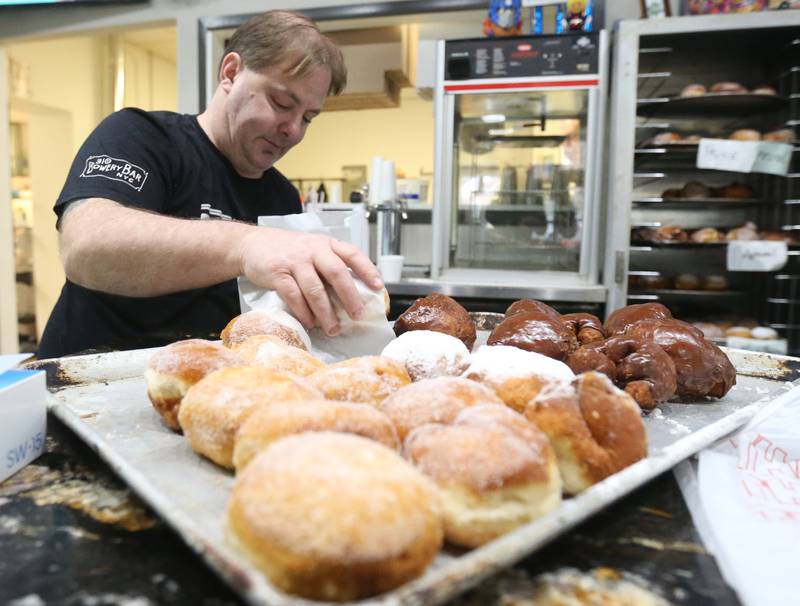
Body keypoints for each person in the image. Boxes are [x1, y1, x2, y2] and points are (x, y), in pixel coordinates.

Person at [37, 10, 383, 359]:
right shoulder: (141, 137)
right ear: (231, 72)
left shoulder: (282, 196)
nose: (293, 130)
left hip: (203, 392)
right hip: (87, 386)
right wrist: (247, 246)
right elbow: (87, 247)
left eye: (308, 118)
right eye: (281, 103)